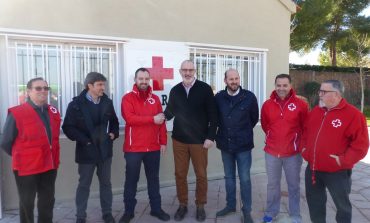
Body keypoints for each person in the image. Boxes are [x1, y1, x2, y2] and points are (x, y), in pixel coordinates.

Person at [301, 80, 369, 223]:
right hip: (313, 169)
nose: (320, 95)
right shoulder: (315, 112)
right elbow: (305, 133)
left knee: (342, 206)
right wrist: (304, 149)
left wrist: (343, 160)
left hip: (337, 171)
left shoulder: (353, 115)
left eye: (324, 92)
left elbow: (361, 145)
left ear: (337, 94)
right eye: (320, 91)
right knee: (315, 204)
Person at [0, 77, 61, 223]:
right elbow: (6, 142)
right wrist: (22, 155)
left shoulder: (53, 111)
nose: (43, 91)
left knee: (47, 200)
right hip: (27, 167)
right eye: (38, 88)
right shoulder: (17, 113)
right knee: (27, 203)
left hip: (49, 164)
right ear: (28, 91)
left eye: (46, 88)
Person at [164, 60, 218, 222]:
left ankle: (200, 205)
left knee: (201, 174)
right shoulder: (175, 90)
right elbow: (170, 112)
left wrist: (210, 136)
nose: (187, 73)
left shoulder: (204, 89)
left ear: (195, 71)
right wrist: (161, 117)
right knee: (180, 174)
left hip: (199, 141)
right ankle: (183, 204)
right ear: (180, 72)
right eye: (184, 70)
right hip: (179, 139)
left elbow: (213, 114)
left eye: (190, 70)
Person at [62, 72, 119, 223]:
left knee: (106, 184)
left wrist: (113, 134)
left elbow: (114, 121)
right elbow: (68, 127)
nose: (103, 88)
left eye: (104, 84)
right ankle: (80, 216)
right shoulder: (75, 105)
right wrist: (85, 141)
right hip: (86, 152)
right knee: (84, 185)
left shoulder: (107, 102)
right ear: (90, 86)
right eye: (100, 84)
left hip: (105, 151)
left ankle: (107, 213)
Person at [118, 68, 170, 223]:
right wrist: (151, 119)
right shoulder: (127, 98)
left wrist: (163, 141)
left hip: (153, 148)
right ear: (135, 79)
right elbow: (130, 119)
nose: (144, 82)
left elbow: (161, 121)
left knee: (153, 179)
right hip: (134, 149)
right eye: (141, 78)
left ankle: (156, 209)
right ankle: (128, 212)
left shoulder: (155, 98)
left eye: (147, 79)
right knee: (131, 180)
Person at [261, 74, 308, 223]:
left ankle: (295, 214)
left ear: (290, 86)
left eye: (284, 85)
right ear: (275, 86)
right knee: (272, 185)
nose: (281, 88)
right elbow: (265, 125)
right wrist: (272, 136)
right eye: (278, 85)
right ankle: (271, 212)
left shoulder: (301, 105)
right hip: (272, 153)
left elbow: (304, 127)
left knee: (294, 185)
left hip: (293, 153)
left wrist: (297, 143)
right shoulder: (267, 105)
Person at [215, 69, 259, 223]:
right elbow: (216, 118)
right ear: (225, 80)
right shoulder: (219, 97)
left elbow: (254, 118)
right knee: (229, 177)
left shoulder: (249, 97)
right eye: (231, 79)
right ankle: (230, 205)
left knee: (245, 178)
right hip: (225, 144)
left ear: (239, 79)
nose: (234, 81)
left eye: (236, 78)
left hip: (243, 145)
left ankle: (247, 210)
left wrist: (242, 132)